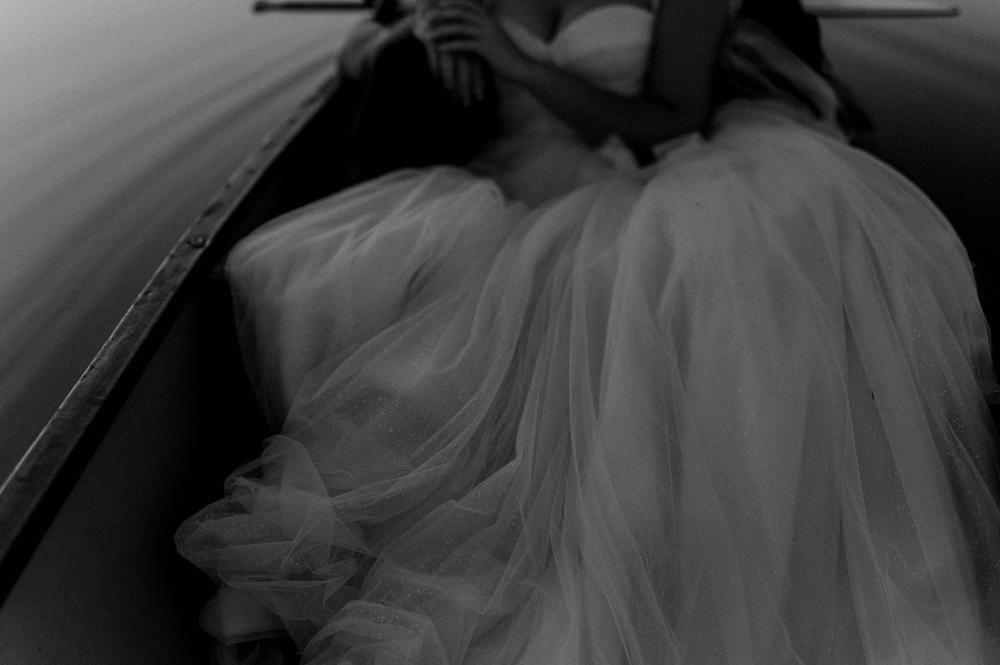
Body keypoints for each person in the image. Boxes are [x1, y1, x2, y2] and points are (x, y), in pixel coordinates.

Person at [176, 0, 1000, 663]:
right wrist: (418, 25)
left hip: (638, 172)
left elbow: (669, 118)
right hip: (508, 188)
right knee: (296, 265)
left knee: (679, 289)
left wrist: (518, 63)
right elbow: (360, 47)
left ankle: (656, 572)